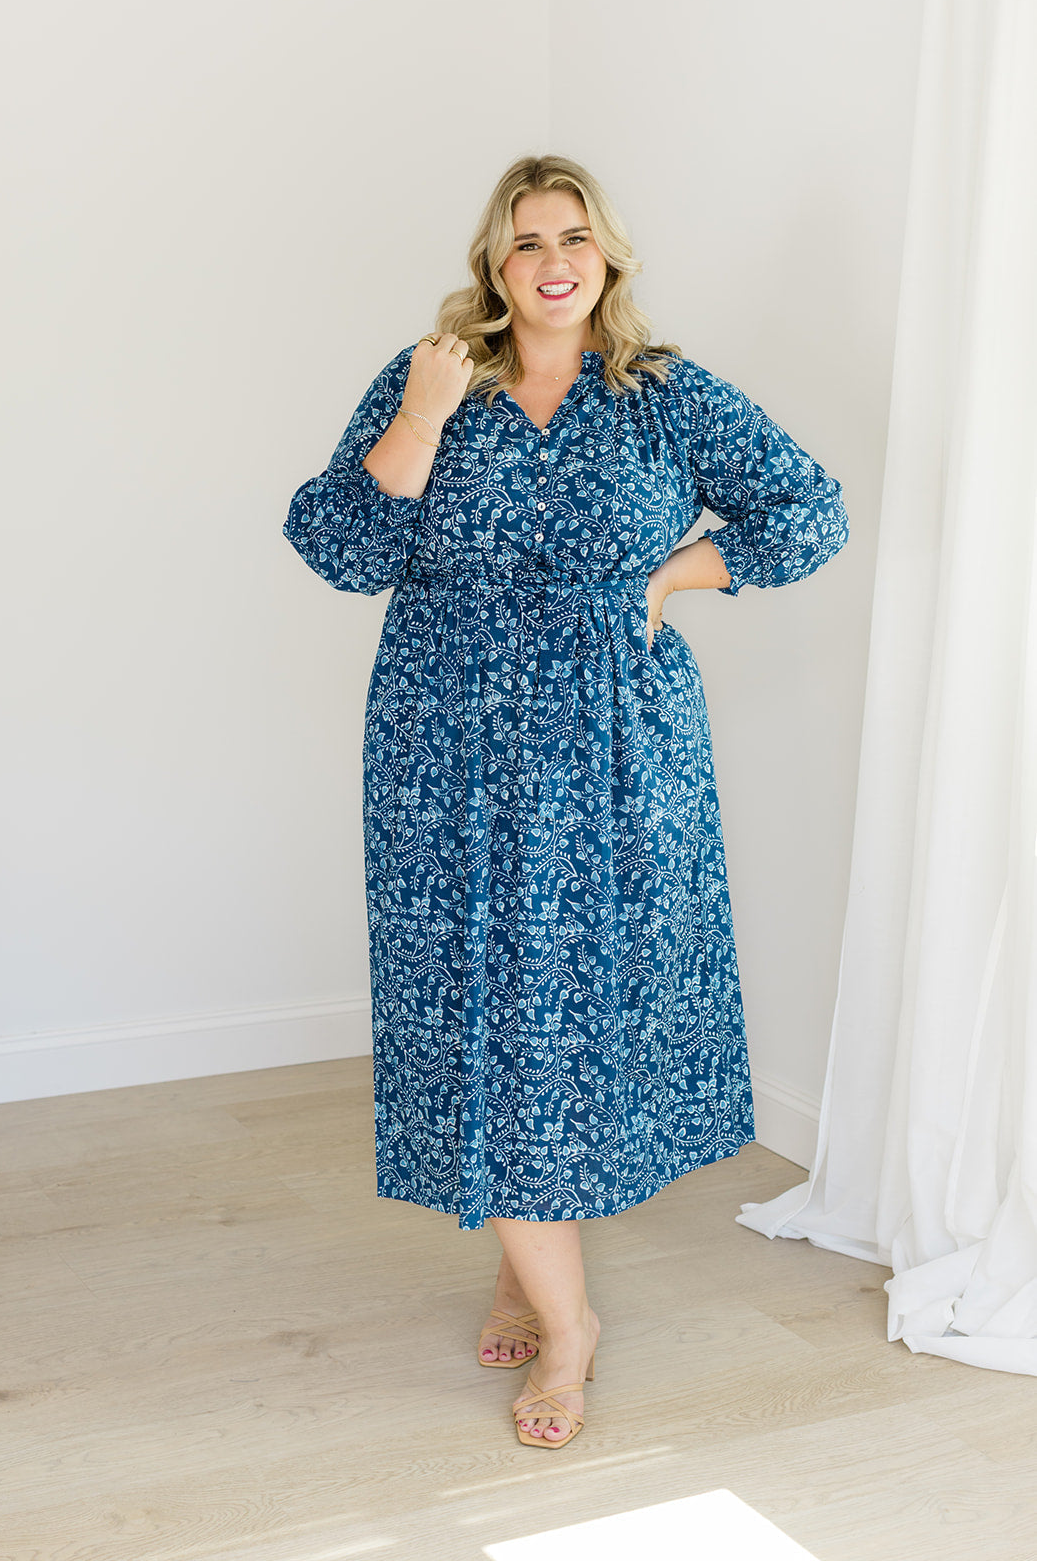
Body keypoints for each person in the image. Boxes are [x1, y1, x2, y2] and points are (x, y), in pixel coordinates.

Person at [282, 154, 849, 1450]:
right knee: (482, 1008)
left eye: (575, 237)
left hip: (617, 746)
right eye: (527, 239)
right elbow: (338, 547)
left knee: (571, 1015)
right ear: (494, 261)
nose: (553, 260)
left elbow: (809, 510)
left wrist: (673, 578)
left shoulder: (664, 393)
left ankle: (536, 1282)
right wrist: (420, 417)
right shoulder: (434, 378)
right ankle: (567, 1318)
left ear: (608, 258)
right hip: (448, 747)